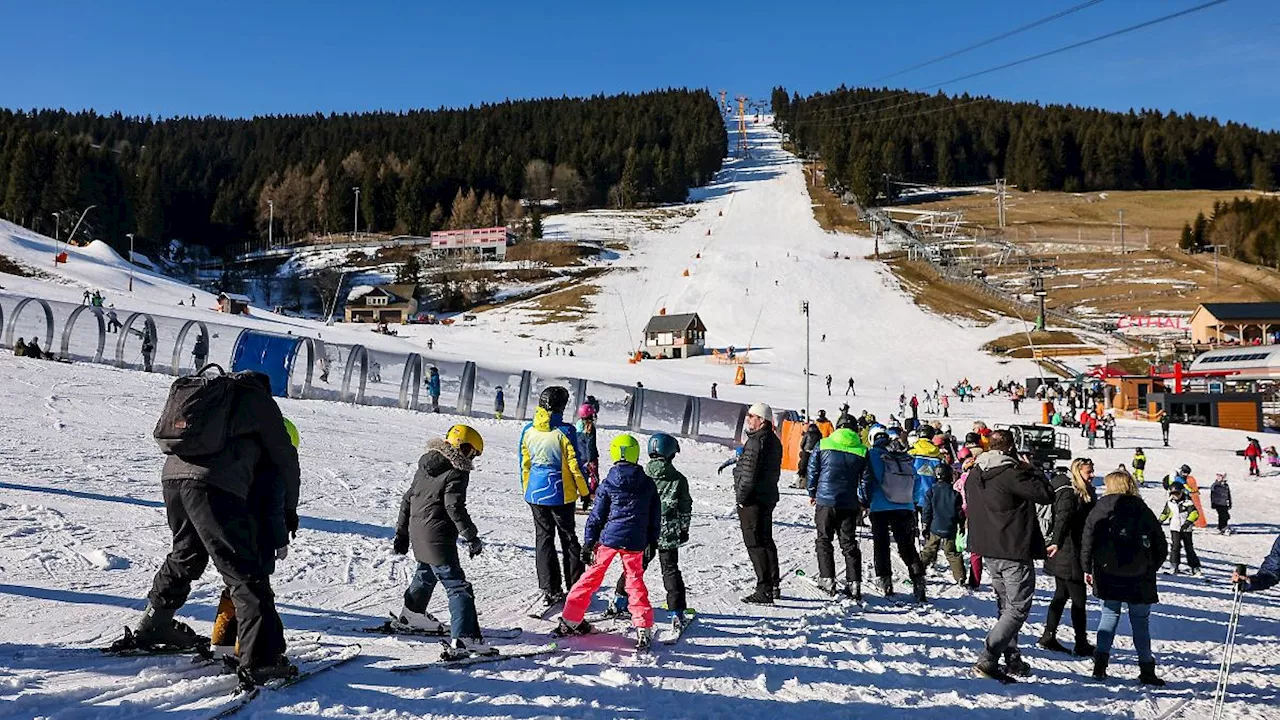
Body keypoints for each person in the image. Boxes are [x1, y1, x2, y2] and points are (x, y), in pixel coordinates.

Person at [127, 371, 299, 685]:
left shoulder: (214, 399)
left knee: (186, 554)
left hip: (174, 479)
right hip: (213, 486)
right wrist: (289, 510)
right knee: (244, 571)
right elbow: (284, 456)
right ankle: (260, 659)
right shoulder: (257, 400)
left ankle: (155, 624)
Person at [391, 425, 492, 658]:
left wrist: (402, 534)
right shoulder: (457, 471)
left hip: (418, 533)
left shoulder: (427, 464)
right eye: (471, 451)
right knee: (458, 586)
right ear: (461, 447)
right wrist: (471, 536)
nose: (471, 457)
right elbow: (454, 506)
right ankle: (466, 638)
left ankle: (412, 615)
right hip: (438, 537)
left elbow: (407, 499)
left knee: (425, 572)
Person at [555, 434, 660, 650]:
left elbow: (597, 516)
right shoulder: (648, 484)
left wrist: (588, 541)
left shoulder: (608, 482)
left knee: (591, 576)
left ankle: (570, 619)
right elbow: (654, 518)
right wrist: (652, 542)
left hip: (609, 538)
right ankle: (643, 626)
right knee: (634, 581)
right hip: (635, 541)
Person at [965, 429, 1053, 683]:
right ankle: (989, 656)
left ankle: (1010, 655)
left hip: (988, 547)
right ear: (1011, 448)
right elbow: (1046, 495)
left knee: (1005, 605)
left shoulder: (975, 472)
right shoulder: (1010, 473)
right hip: (1012, 548)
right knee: (1017, 608)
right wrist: (1032, 468)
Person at [209, 417, 301, 657]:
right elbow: (272, 511)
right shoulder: (274, 472)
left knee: (234, 587)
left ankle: (222, 643)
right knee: (255, 594)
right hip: (257, 541)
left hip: (230, 534)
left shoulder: (240, 464)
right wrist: (281, 541)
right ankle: (252, 650)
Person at [1082, 470, 1168, 685]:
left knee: (1108, 616)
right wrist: (1151, 566)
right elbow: (1161, 544)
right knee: (1141, 623)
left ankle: (1099, 666)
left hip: (1107, 572)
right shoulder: (1142, 509)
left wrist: (1087, 567)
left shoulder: (1100, 508)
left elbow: (1087, 541)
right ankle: (1146, 669)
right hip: (1140, 576)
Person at [610, 433, 692, 629]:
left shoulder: (642, 476)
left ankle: (619, 600)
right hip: (667, 533)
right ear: (672, 454)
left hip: (643, 531)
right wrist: (683, 529)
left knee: (635, 567)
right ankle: (676, 612)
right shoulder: (679, 479)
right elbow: (684, 508)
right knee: (670, 570)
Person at [519, 386, 590, 606]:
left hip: (535, 493)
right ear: (560, 406)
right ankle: (575, 586)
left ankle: (549, 588)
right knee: (568, 538)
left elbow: (525, 463)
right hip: (560, 493)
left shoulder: (528, 430)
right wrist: (585, 492)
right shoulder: (565, 432)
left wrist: (527, 489)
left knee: (544, 538)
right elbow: (575, 466)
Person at [860, 426, 927, 601]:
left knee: (881, 544)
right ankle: (918, 580)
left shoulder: (872, 455)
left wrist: (864, 500)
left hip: (879, 506)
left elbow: (865, 479)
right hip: (904, 506)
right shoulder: (903, 455)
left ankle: (885, 581)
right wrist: (912, 501)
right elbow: (917, 480)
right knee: (907, 545)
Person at [1038, 458, 1097, 657]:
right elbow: (1062, 519)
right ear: (1078, 472)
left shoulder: (1083, 492)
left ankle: (1049, 635)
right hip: (1070, 554)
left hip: (1064, 554)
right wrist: (1056, 541)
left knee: (1061, 595)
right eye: (1088, 471)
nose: (1092, 475)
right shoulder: (1071, 494)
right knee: (1079, 601)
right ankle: (1080, 643)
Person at [806, 425, 867, 600]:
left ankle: (827, 578)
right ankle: (854, 583)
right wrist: (863, 500)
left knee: (824, 539)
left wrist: (812, 492)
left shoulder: (823, 444)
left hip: (825, 500)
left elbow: (813, 470)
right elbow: (865, 479)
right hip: (849, 503)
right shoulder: (862, 450)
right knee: (849, 543)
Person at [735, 402, 783, 604]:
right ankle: (773, 584)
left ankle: (764, 589)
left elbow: (748, 476)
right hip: (767, 496)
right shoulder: (773, 440)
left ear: (762, 420)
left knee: (755, 543)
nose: (748, 418)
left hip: (753, 500)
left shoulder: (756, 442)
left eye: (751, 416)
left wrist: (741, 498)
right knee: (765, 540)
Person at [920, 463, 966, 587]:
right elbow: (960, 513)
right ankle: (960, 577)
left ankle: (917, 573)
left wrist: (925, 525)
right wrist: (961, 525)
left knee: (928, 551)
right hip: (949, 528)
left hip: (934, 527)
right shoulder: (955, 494)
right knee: (952, 553)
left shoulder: (931, 492)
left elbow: (927, 511)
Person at [1160, 481, 1202, 576]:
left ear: (1182, 492)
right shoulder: (1170, 502)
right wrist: (1159, 521)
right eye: (1173, 494)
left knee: (1189, 547)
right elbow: (1166, 513)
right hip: (1175, 528)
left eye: (1177, 494)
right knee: (1175, 547)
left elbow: (1194, 513)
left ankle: (1195, 567)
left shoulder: (1188, 502)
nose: (1175, 496)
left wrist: (1187, 523)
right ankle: (1174, 566)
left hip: (1186, 529)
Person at [575, 403, 601, 510]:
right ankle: (591, 496)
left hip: (580, 458)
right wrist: (590, 460)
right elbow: (590, 445)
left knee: (583, 478)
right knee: (594, 477)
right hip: (590, 458)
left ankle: (583, 496)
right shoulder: (591, 429)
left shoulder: (578, 426)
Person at [795, 421, 823, 489]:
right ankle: (813, 483)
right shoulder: (819, 434)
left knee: (802, 468)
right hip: (815, 453)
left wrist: (803, 449)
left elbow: (802, 444)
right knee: (813, 468)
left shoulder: (807, 434)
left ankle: (800, 482)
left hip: (806, 452)